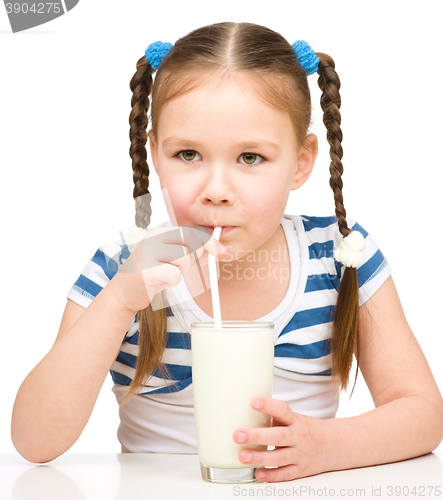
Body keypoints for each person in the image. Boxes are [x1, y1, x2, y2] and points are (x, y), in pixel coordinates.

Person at [11, 22, 443, 482]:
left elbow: (422, 413)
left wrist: (327, 446)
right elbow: (35, 441)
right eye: (189, 154)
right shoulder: (123, 266)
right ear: (155, 154)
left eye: (250, 158)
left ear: (301, 163)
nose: (216, 191)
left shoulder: (338, 256)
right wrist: (119, 301)